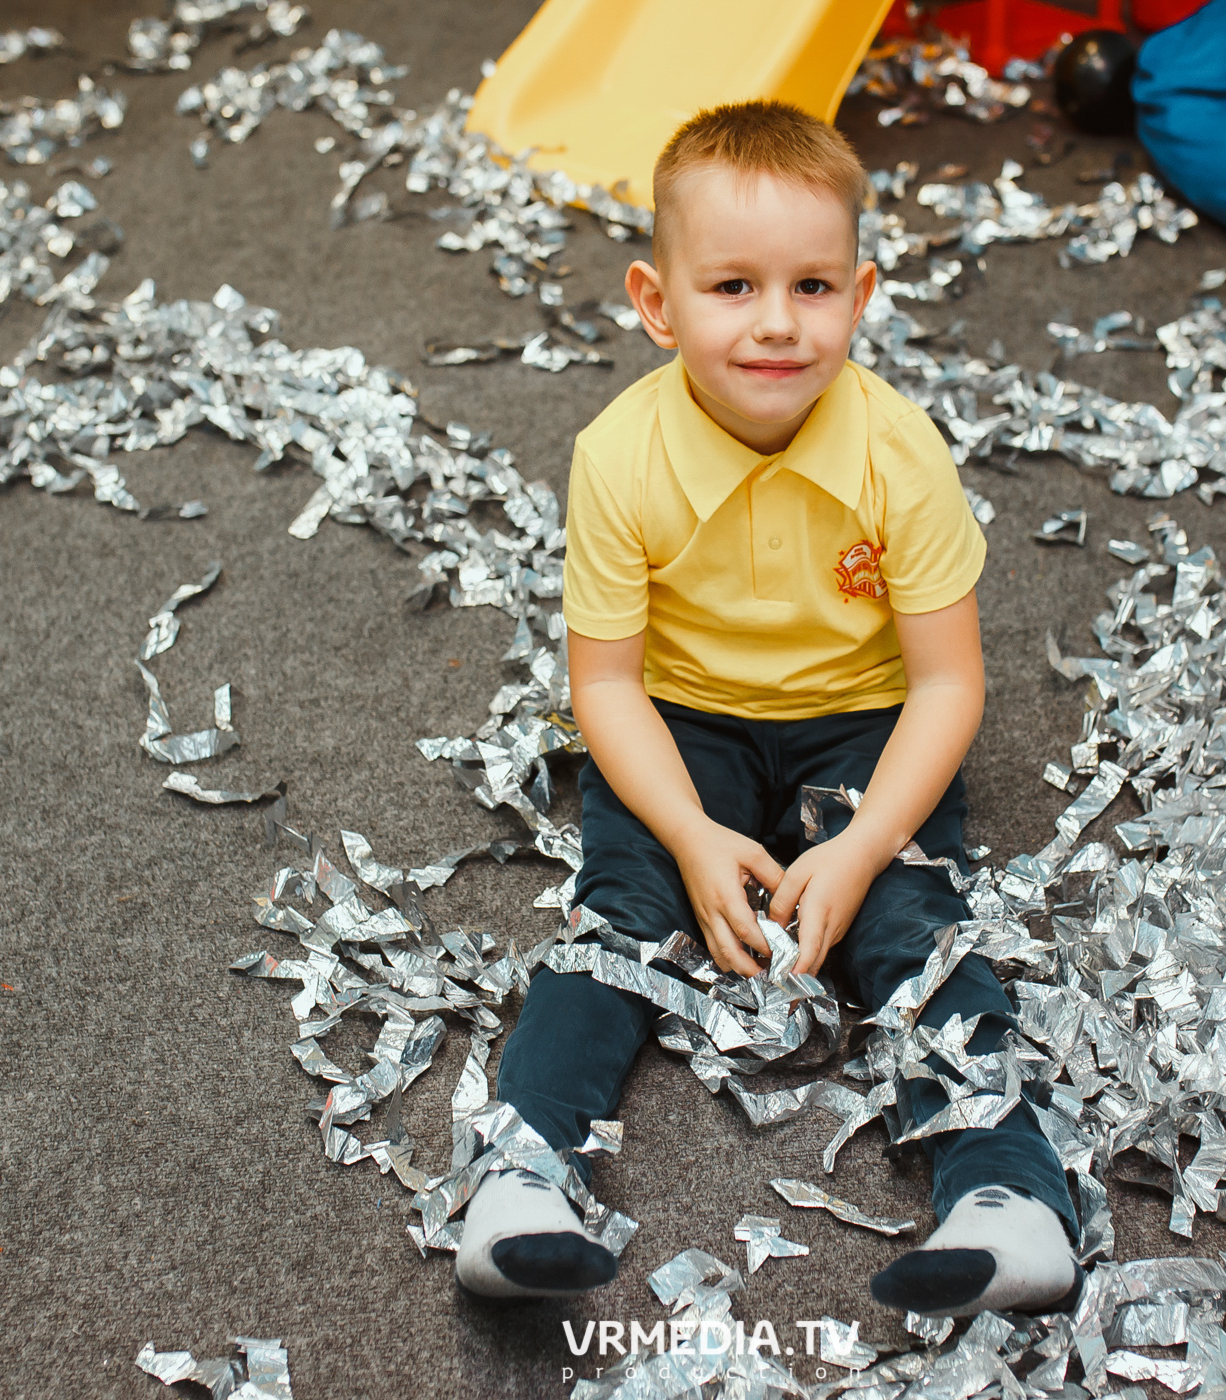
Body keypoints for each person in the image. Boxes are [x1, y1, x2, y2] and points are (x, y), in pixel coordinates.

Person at [454, 100, 1079, 1319]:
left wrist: (856, 845)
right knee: (623, 911)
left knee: (911, 921)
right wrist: (690, 833)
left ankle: (1009, 1195)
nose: (780, 322)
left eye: (813, 285)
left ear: (863, 293)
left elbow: (950, 682)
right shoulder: (617, 453)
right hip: (683, 721)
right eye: (733, 286)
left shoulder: (900, 451)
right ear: (657, 301)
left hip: (864, 721)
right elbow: (607, 685)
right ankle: (518, 1174)